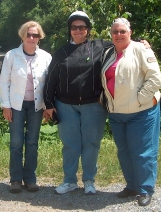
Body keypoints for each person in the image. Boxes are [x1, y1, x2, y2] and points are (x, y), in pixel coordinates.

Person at [43, 11, 110, 195]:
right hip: (66, 105)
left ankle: (89, 180)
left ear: (88, 30)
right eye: (74, 27)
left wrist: (142, 44)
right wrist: (48, 104)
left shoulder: (100, 46)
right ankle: (69, 181)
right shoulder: (61, 52)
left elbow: (124, 43)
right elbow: (51, 80)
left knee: (91, 143)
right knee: (70, 144)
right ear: (70, 30)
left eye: (82, 27)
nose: (78, 30)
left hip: (93, 105)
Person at [100, 18, 161, 207]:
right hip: (117, 113)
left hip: (141, 112)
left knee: (143, 152)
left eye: (122, 31)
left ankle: (145, 189)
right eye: (115, 32)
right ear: (110, 34)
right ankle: (132, 186)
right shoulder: (109, 52)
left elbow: (155, 79)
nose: (118, 35)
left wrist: (140, 99)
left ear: (130, 32)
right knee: (125, 152)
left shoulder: (141, 49)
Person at [0, 21, 52, 194]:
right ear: (22, 35)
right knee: (16, 143)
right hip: (16, 105)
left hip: (36, 105)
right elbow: (4, 82)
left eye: (35, 35)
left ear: (40, 37)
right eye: (28, 34)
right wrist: (5, 106)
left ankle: (30, 179)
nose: (31, 38)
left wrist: (48, 106)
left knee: (32, 143)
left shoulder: (46, 57)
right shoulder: (11, 56)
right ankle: (15, 179)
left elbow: (50, 85)